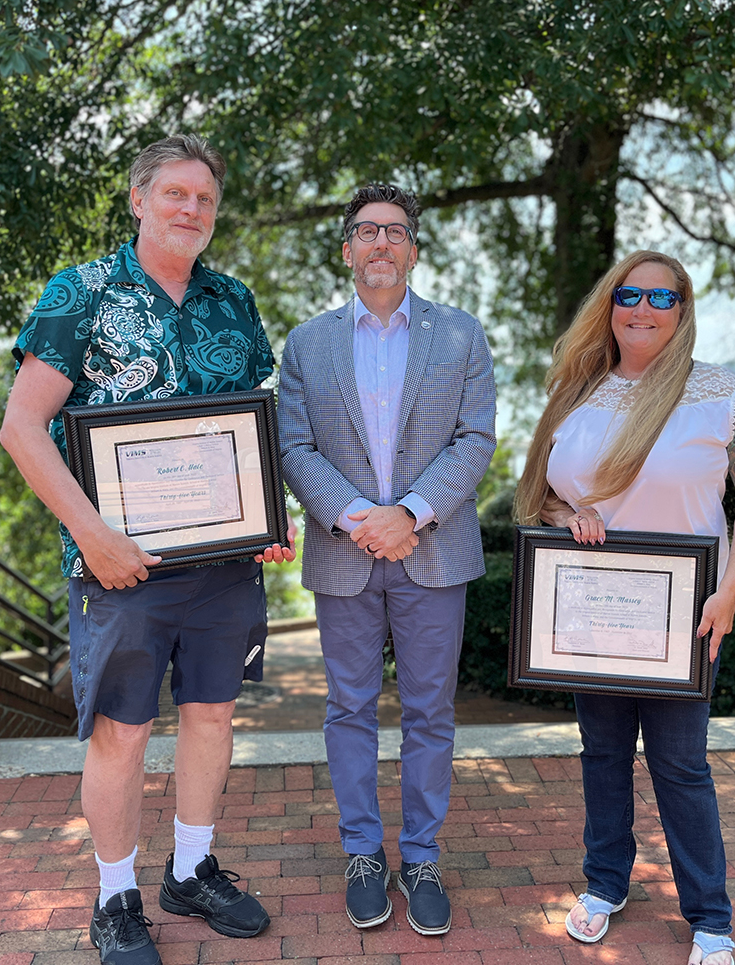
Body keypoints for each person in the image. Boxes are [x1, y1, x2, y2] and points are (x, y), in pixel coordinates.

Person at [0, 134, 295, 965]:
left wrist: (269, 514)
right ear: (139, 199)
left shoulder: (234, 301)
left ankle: (192, 872)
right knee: (123, 734)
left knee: (211, 718)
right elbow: (22, 429)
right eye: (174, 194)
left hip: (225, 568)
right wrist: (92, 535)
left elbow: (251, 425)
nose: (190, 209)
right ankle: (116, 895)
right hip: (119, 567)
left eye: (204, 198)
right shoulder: (81, 294)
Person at [514, 251, 735, 965]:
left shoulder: (724, 394)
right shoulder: (576, 391)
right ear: (610, 303)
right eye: (628, 294)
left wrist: (729, 591)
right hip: (591, 615)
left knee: (680, 766)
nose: (643, 308)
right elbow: (538, 493)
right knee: (601, 755)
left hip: (685, 617)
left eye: (662, 297)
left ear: (683, 310)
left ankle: (711, 920)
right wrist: (568, 515)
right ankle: (605, 886)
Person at [277, 184, 496, 937]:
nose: (381, 243)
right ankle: (364, 854)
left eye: (395, 232)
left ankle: (424, 856)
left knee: (432, 713)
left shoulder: (462, 335)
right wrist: (357, 519)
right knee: (349, 709)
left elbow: (475, 441)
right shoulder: (306, 344)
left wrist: (409, 514)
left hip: (434, 551)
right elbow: (295, 448)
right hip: (346, 556)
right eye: (366, 231)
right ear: (346, 249)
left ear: (413, 249)